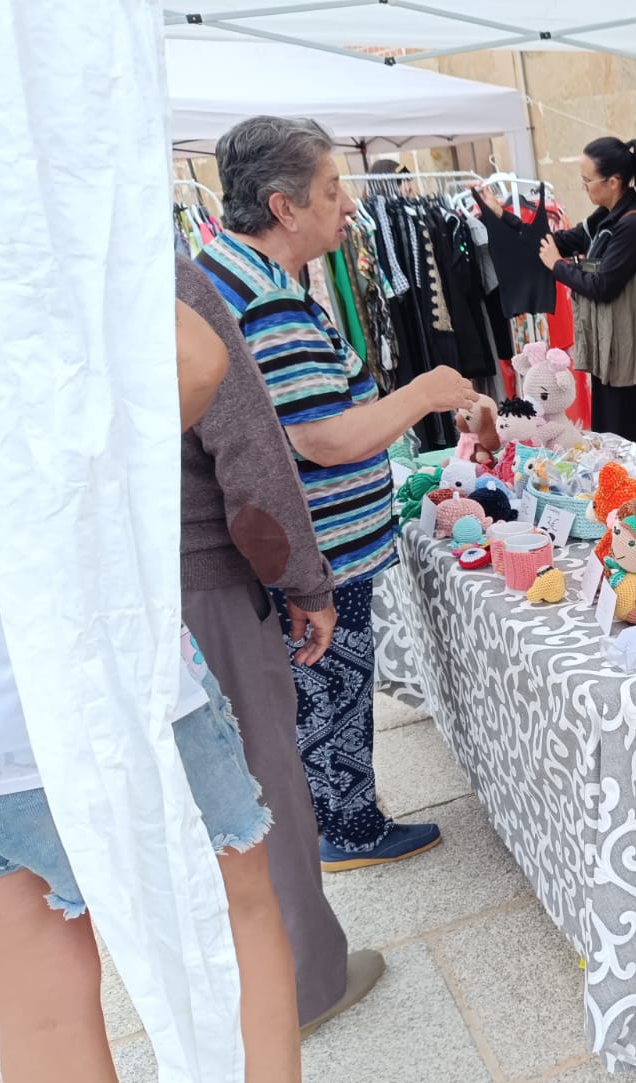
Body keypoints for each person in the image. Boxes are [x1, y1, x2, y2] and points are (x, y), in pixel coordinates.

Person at [0, 301, 349, 1083]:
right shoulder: (36, 228)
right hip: (112, 660)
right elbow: (196, 360)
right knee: (238, 909)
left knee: (33, 989)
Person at [198, 115, 474, 871]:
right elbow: (322, 439)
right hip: (322, 548)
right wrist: (423, 392)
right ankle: (349, 829)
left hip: (303, 541)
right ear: (284, 206)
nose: (349, 204)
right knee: (330, 688)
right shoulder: (268, 300)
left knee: (317, 691)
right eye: (331, 189)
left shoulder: (234, 275)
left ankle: (335, 816)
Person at [178, 253, 385, 1032]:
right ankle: (303, 986)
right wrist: (304, 581)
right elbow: (254, 447)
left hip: (84, 598)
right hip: (198, 582)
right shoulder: (160, 277)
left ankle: (225, 995)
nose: (343, 207)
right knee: (261, 788)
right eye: (329, 188)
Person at [534, 135, 636, 451]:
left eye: (587, 181)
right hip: (611, 348)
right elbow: (564, 241)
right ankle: (618, 492)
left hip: (628, 351)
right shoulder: (605, 220)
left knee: (631, 437)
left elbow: (603, 287)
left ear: (613, 181)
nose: (585, 188)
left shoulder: (632, 226)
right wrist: (505, 220)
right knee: (611, 436)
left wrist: (558, 267)